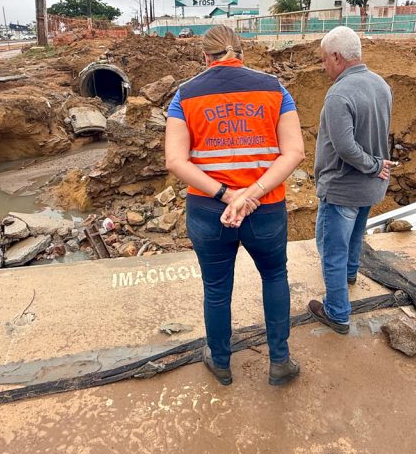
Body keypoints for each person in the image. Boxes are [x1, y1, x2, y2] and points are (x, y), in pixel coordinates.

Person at [165, 25, 305, 386]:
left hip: (209, 210)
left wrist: (227, 195)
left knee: (216, 287)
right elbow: (294, 152)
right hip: (266, 208)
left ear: (204, 57)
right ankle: (280, 361)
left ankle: (221, 362)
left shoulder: (184, 96)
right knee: (274, 276)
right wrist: (251, 193)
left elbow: (176, 162)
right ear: (242, 52)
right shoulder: (276, 90)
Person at [308, 26, 395, 334]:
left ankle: (337, 313)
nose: (323, 67)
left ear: (337, 56)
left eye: (323, 60)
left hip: (344, 188)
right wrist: (376, 169)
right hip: (370, 189)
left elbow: (345, 148)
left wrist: (372, 166)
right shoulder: (380, 84)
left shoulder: (339, 94)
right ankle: (350, 276)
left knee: (330, 250)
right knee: (355, 237)